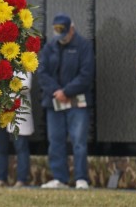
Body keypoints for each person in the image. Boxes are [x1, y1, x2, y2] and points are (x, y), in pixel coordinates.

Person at [37, 13, 95, 189]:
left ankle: (81, 179)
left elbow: (86, 74)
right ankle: (60, 178)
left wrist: (66, 91)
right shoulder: (49, 46)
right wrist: (56, 91)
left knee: (78, 141)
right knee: (55, 141)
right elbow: (42, 72)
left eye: (65, 34)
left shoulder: (84, 46)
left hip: (77, 101)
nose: (61, 39)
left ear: (72, 29)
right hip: (54, 102)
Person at [0, 72, 34, 188]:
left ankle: (21, 180)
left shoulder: (22, 60)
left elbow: (26, 85)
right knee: (0, 148)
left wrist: (4, 83)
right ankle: (1, 179)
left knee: (21, 146)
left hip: (18, 109)